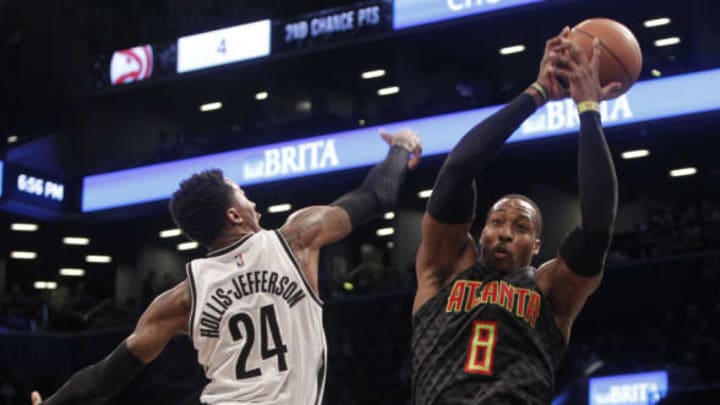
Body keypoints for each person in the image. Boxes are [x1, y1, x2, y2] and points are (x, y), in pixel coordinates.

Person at [31, 129, 422, 405]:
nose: (256, 205)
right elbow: (376, 195)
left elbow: (104, 378)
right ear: (235, 215)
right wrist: (401, 147)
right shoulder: (295, 240)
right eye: (247, 197)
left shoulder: (182, 297)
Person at [411, 28, 621, 404]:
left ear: (537, 246)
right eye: (496, 222)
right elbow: (458, 169)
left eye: (521, 227)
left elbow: (598, 229)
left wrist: (588, 109)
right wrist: (537, 93)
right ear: (482, 231)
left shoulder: (549, 291)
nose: (505, 232)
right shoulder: (443, 272)